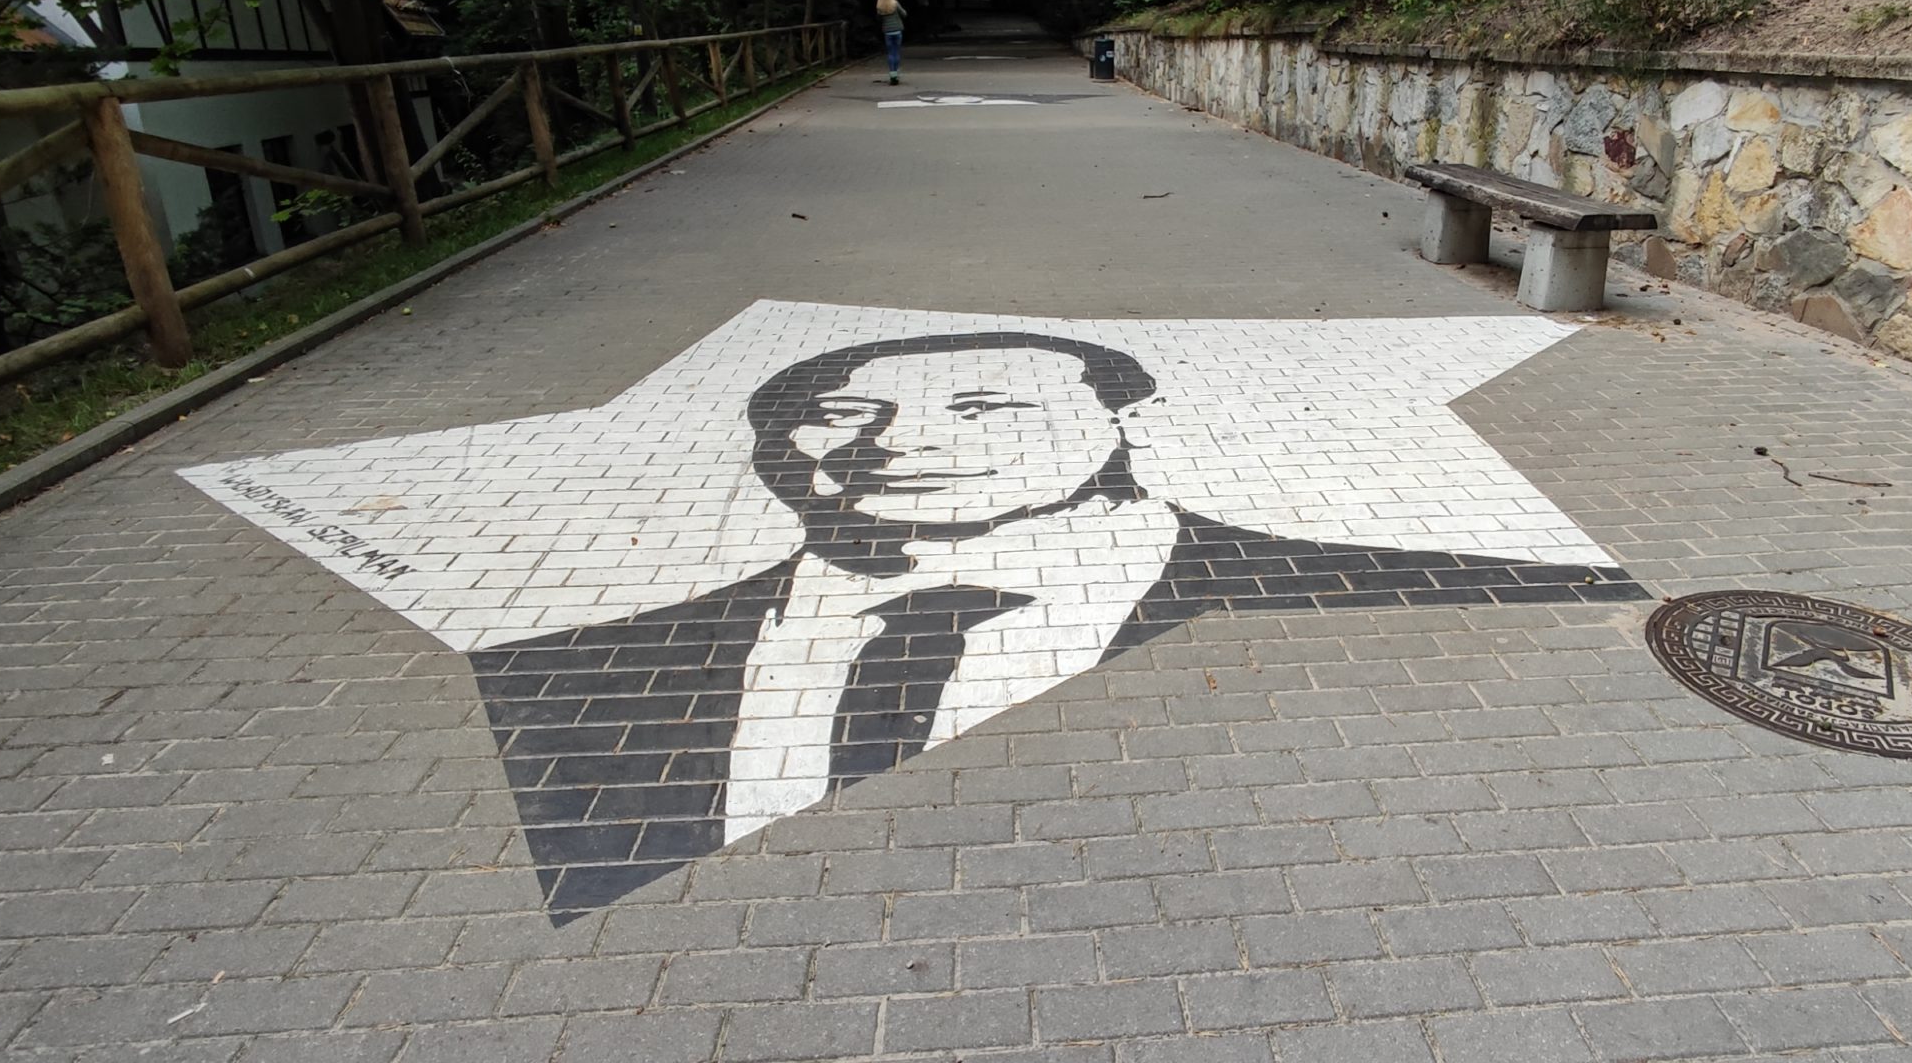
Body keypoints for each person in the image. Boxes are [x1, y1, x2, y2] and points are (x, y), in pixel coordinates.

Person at [467, 333, 1646, 919]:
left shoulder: (1391, 588)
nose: (891, 444)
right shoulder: (564, 670)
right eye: (840, 413)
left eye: (986, 405)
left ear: (1129, 422)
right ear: (779, 446)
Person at [875, 0, 906, 84]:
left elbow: (879, 19)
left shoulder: (880, 7)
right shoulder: (895, 4)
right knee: (896, 52)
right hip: (897, 31)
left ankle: (892, 74)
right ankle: (896, 73)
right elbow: (904, 14)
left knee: (890, 53)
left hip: (887, 32)